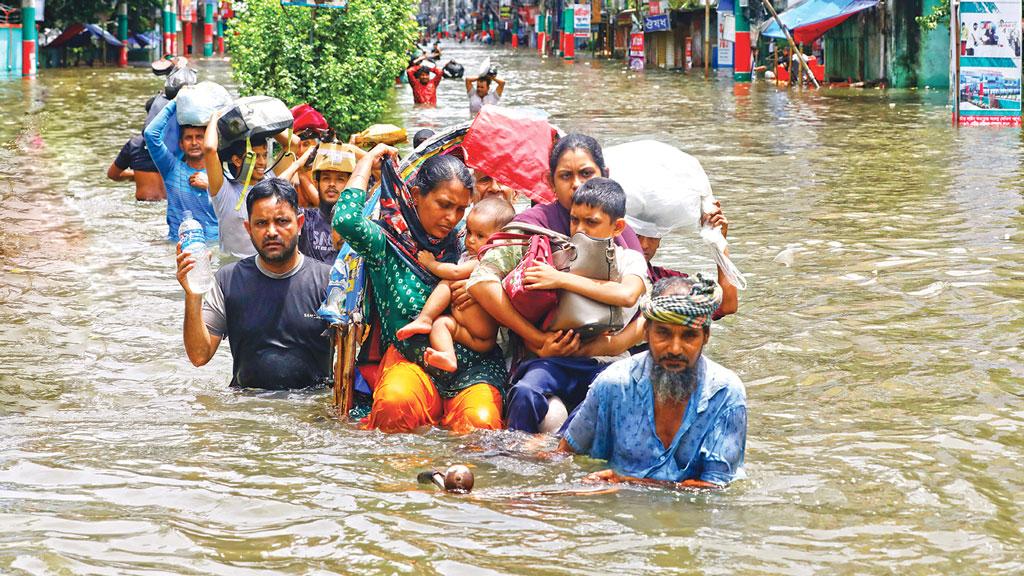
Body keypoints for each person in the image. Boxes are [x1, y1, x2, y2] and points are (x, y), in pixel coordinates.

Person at [332, 145, 507, 433]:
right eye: (444, 204)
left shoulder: (472, 245)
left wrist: (485, 284)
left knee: (482, 423)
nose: (452, 217)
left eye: (461, 209)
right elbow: (346, 221)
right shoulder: (386, 244)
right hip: (411, 363)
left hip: (475, 369)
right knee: (394, 404)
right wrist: (366, 161)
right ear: (416, 197)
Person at [559, 275, 747, 489]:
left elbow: (713, 489)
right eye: (663, 333)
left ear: (705, 337)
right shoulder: (613, 384)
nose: (675, 349)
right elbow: (564, 456)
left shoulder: (726, 394)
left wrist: (626, 483)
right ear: (646, 331)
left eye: (688, 336)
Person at [468, 133, 645, 359]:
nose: (577, 184)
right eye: (565, 176)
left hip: (609, 354)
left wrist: (612, 344)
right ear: (550, 182)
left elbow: (644, 303)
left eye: (586, 173)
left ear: (605, 175)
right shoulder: (531, 226)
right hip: (541, 355)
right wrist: (538, 339)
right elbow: (481, 282)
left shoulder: (621, 232)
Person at [502, 178, 651, 433]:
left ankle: (559, 448)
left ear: (617, 227)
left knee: (599, 400)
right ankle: (512, 455)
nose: (580, 229)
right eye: (574, 220)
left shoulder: (630, 259)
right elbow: (526, 309)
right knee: (525, 390)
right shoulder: (556, 255)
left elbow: (628, 294)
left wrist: (561, 279)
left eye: (591, 222)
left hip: (607, 362)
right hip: (556, 359)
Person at [176, 178, 333, 390]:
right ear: (248, 229)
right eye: (261, 223)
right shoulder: (227, 280)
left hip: (310, 409)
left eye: (282, 221)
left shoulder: (328, 280)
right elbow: (199, 356)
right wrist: (192, 294)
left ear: (300, 224)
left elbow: (352, 355)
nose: (271, 232)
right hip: (248, 408)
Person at [396, 196, 516, 372]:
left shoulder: (486, 260)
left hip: (483, 331)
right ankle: (448, 356)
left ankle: (425, 317)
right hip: (467, 333)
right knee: (441, 325)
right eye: (469, 232)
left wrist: (431, 264)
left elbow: (455, 272)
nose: (471, 240)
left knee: (448, 280)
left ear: (501, 241)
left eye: (480, 236)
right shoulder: (469, 255)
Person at [145, 99, 217, 242]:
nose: (194, 143)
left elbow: (235, 211)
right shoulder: (171, 168)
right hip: (178, 245)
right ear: (181, 145)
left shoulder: (220, 176)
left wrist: (211, 186)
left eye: (200, 137)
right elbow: (150, 134)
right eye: (189, 138)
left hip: (214, 245)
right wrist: (176, 101)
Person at [202, 112, 271, 258]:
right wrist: (215, 117)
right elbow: (209, 149)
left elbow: (292, 143)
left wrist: (256, 120)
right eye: (255, 156)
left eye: (264, 155)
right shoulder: (224, 191)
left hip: (267, 268)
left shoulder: (271, 181)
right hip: (233, 271)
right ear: (237, 161)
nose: (262, 163)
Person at [288, 142, 361, 264]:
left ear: (349, 184)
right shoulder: (305, 219)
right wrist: (298, 165)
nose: (332, 184)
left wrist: (352, 149)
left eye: (340, 179)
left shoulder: (359, 222)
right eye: (326, 178)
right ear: (316, 183)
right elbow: (271, 197)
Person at [108, 134, 166, 201]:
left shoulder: (134, 144)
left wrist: (138, 176)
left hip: (144, 204)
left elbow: (113, 175)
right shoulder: (177, 142)